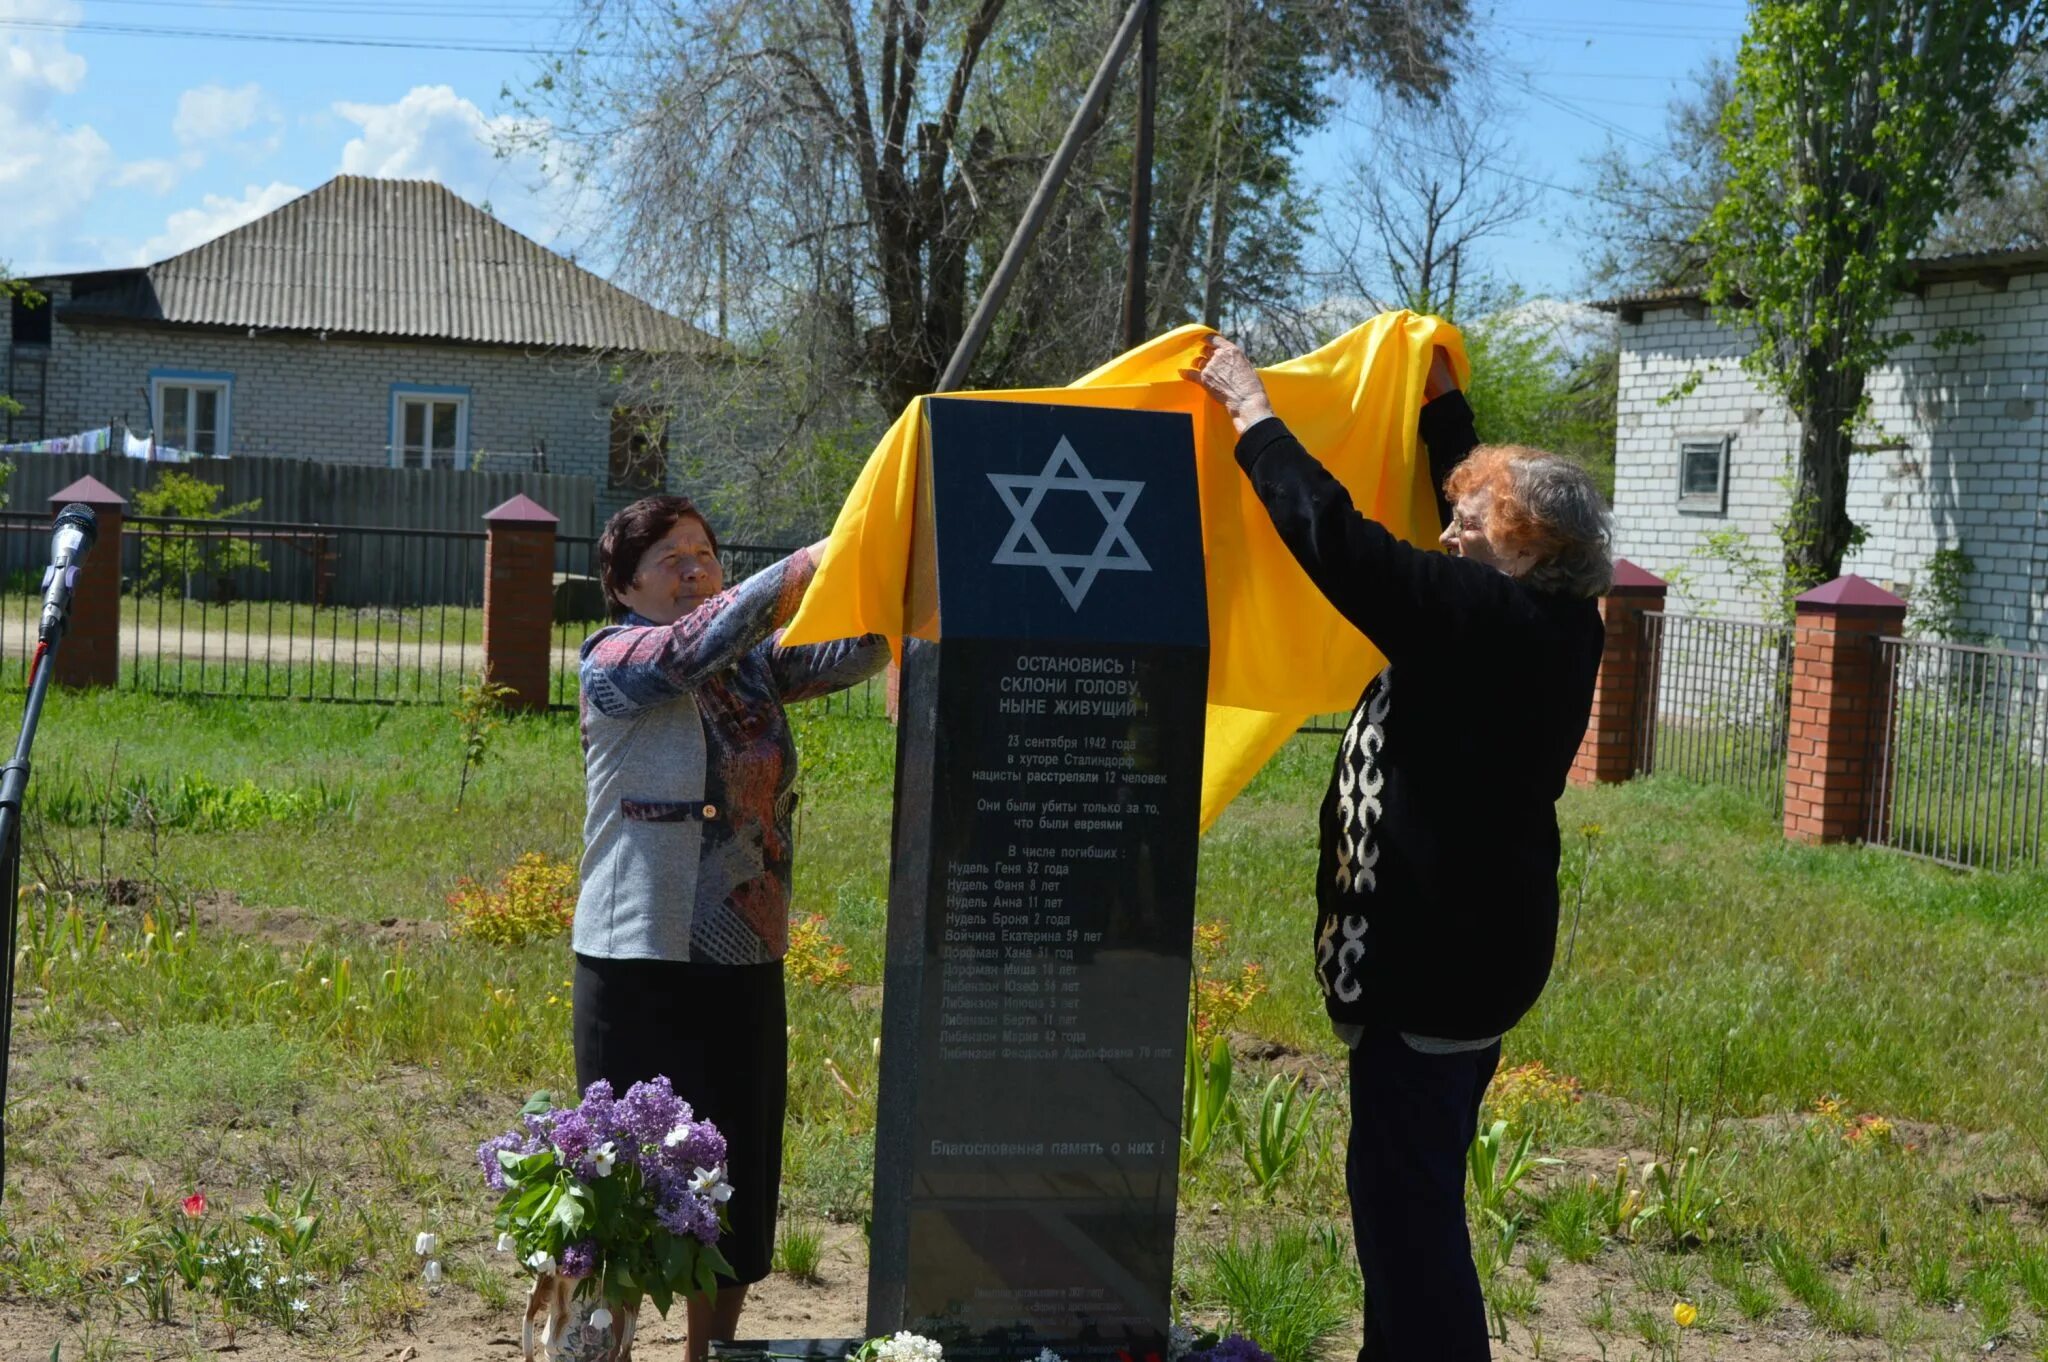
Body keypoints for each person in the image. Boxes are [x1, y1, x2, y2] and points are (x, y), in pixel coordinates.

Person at [1185, 335, 1611, 1362]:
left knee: (1406, 1221)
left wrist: (1250, 412)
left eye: (1469, 520)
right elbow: (1467, 517)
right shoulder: (1551, 617)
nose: (1448, 528)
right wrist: (1439, 406)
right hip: (1471, 968)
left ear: (1525, 547)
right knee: (1405, 1205)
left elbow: (1338, 542)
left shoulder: (1483, 619)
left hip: (1432, 976)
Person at [573, 494, 886, 1361]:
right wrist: (825, 546)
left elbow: (860, 650)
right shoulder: (615, 659)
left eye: (705, 553)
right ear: (623, 584)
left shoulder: (755, 669)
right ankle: (600, 1350)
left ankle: (705, 1356)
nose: (695, 570)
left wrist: (897, 561)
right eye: (670, 559)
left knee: (735, 1168)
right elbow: (693, 643)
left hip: (742, 949)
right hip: (636, 953)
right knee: (623, 1178)